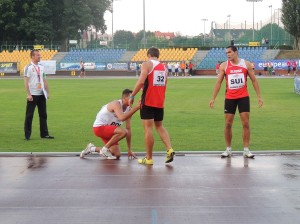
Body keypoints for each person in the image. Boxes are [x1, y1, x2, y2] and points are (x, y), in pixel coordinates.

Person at [209, 45, 263, 158]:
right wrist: (213, 98)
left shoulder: (246, 64)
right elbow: (218, 82)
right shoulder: (224, 66)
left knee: (246, 123)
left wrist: (259, 97)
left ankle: (246, 150)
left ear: (236, 52)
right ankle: (228, 149)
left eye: (229, 52)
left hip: (243, 97)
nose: (228, 54)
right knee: (228, 124)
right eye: (226, 53)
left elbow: (254, 80)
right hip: (230, 98)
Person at [129, 47, 175, 165]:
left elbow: (141, 82)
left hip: (148, 102)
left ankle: (148, 158)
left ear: (148, 54)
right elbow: (163, 83)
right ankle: (170, 149)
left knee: (148, 129)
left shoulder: (146, 64)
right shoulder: (164, 68)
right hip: (159, 102)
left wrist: (132, 96)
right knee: (159, 126)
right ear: (158, 55)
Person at [80, 89, 140, 159]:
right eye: (131, 97)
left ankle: (91, 148)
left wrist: (129, 150)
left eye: (133, 97)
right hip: (99, 128)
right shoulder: (116, 104)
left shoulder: (129, 109)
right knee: (123, 132)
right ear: (124, 98)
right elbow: (121, 118)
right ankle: (104, 149)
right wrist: (136, 108)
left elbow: (128, 129)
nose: (132, 99)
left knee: (116, 154)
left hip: (110, 131)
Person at [24, 50, 54, 140]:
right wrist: (28, 94)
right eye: (38, 55)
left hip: (41, 94)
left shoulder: (41, 67)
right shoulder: (28, 67)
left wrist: (47, 92)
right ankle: (27, 135)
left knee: (43, 115)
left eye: (39, 55)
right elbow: (25, 82)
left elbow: (44, 80)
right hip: (32, 95)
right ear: (32, 56)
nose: (39, 56)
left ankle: (44, 134)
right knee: (29, 115)